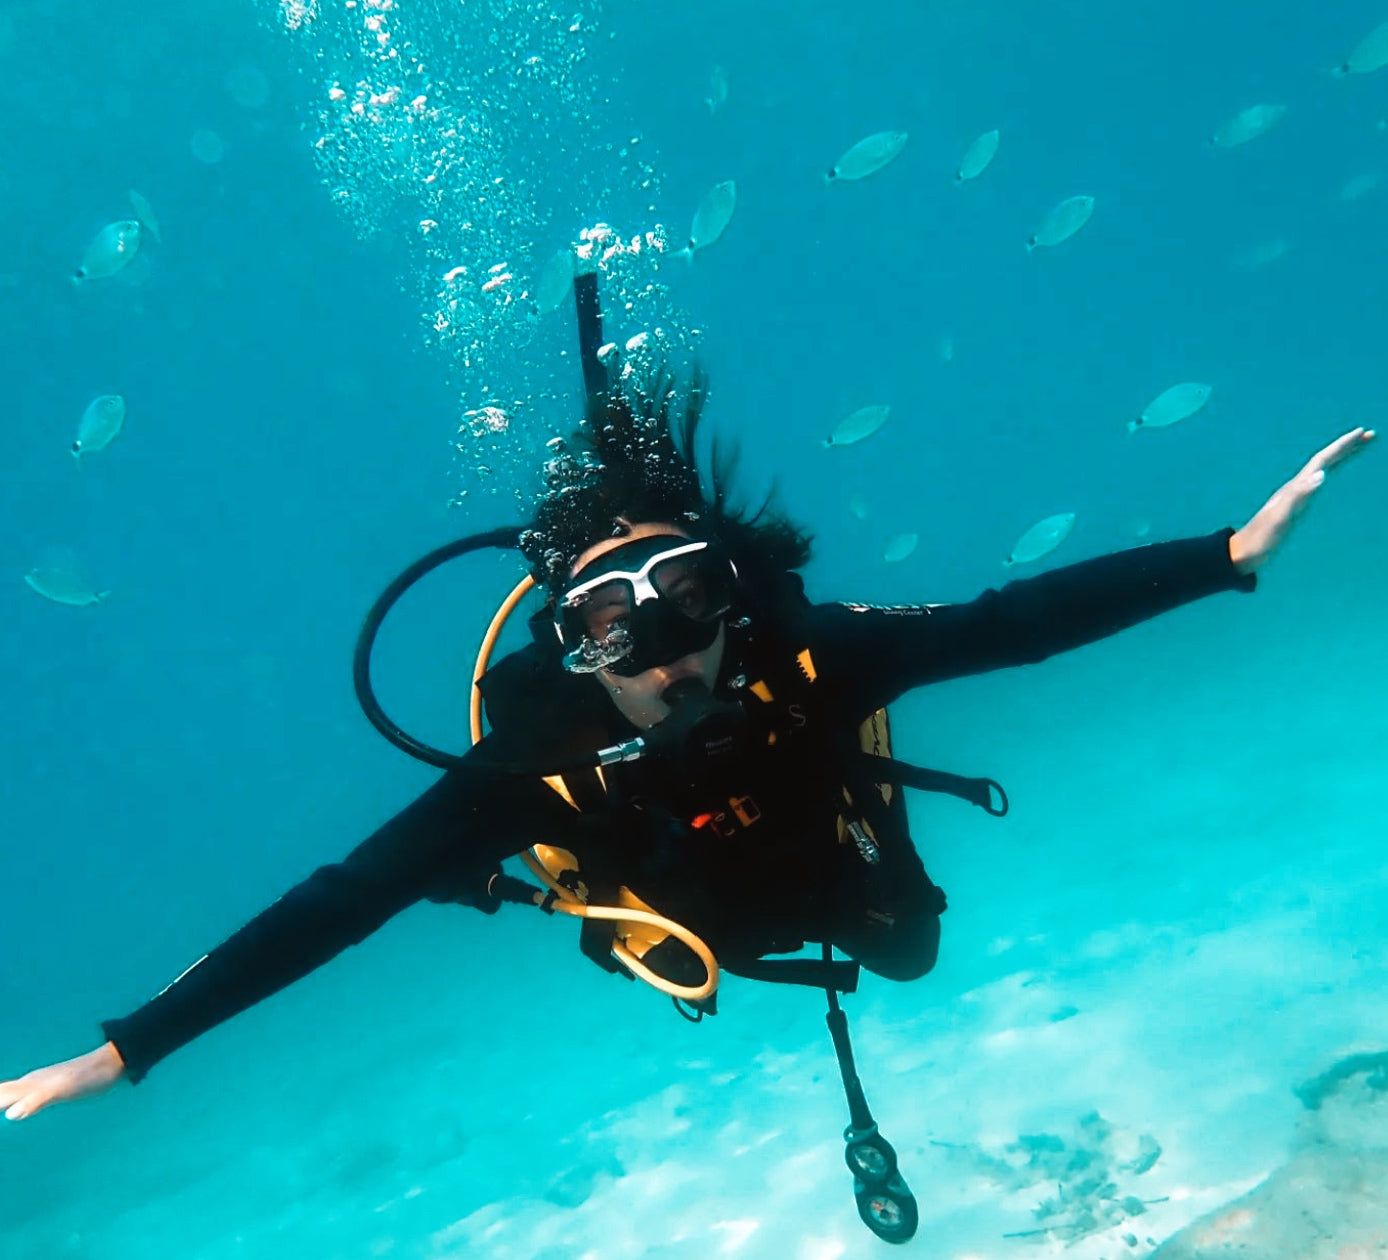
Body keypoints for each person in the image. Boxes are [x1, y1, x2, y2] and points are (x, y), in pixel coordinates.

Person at [1, 303, 1374, 1179]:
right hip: (675, 901)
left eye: (689, 596)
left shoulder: (810, 654)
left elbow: (1009, 622)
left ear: (732, 588)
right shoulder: (534, 757)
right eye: (610, 623)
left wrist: (1230, 554)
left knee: (906, 947)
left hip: (834, 851)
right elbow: (341, 905)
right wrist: (124, 1053)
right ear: (570, 643)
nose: (667, 650)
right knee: (690, 937)